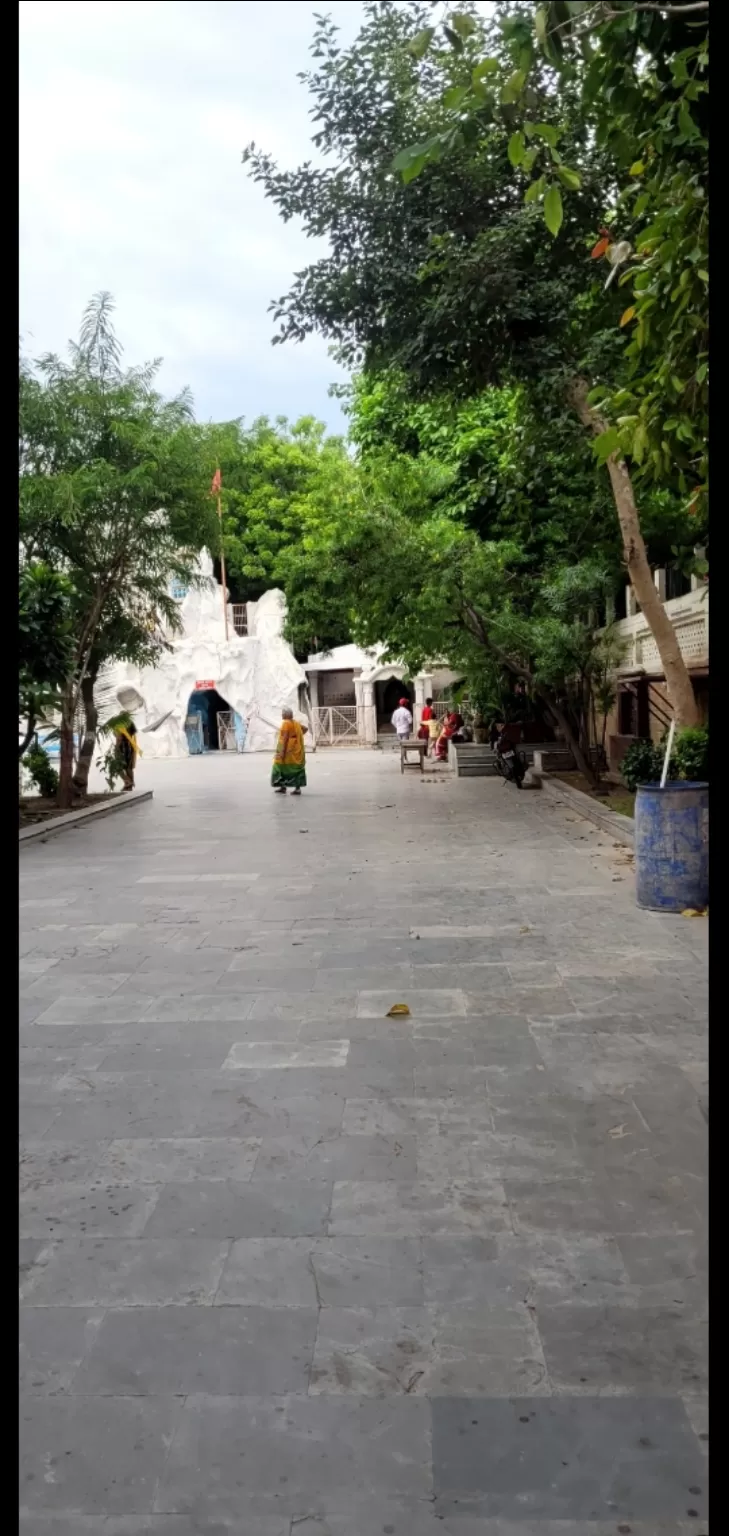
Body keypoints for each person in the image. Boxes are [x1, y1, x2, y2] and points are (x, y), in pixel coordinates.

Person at [271, 707, 308, 795]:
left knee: (278, 767)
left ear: (287, 714)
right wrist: (296, 737)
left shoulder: (286, 723)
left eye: (283, 713)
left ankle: (282, 787)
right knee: (295, 768)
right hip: (295, 750)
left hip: (286, 750)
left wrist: (282, 752)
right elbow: (305, 729)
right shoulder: (295, 723)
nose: (282, 715)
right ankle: (297, 789)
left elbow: (285, 738)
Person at [115, 721, 140, 790]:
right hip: (129, 747)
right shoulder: (131, 724)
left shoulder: (120, 725)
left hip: (122, 747)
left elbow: (119, 738)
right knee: (129, 767)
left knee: (117, 767)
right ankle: (130, 786)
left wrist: (116, 749)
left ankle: (128, 782)